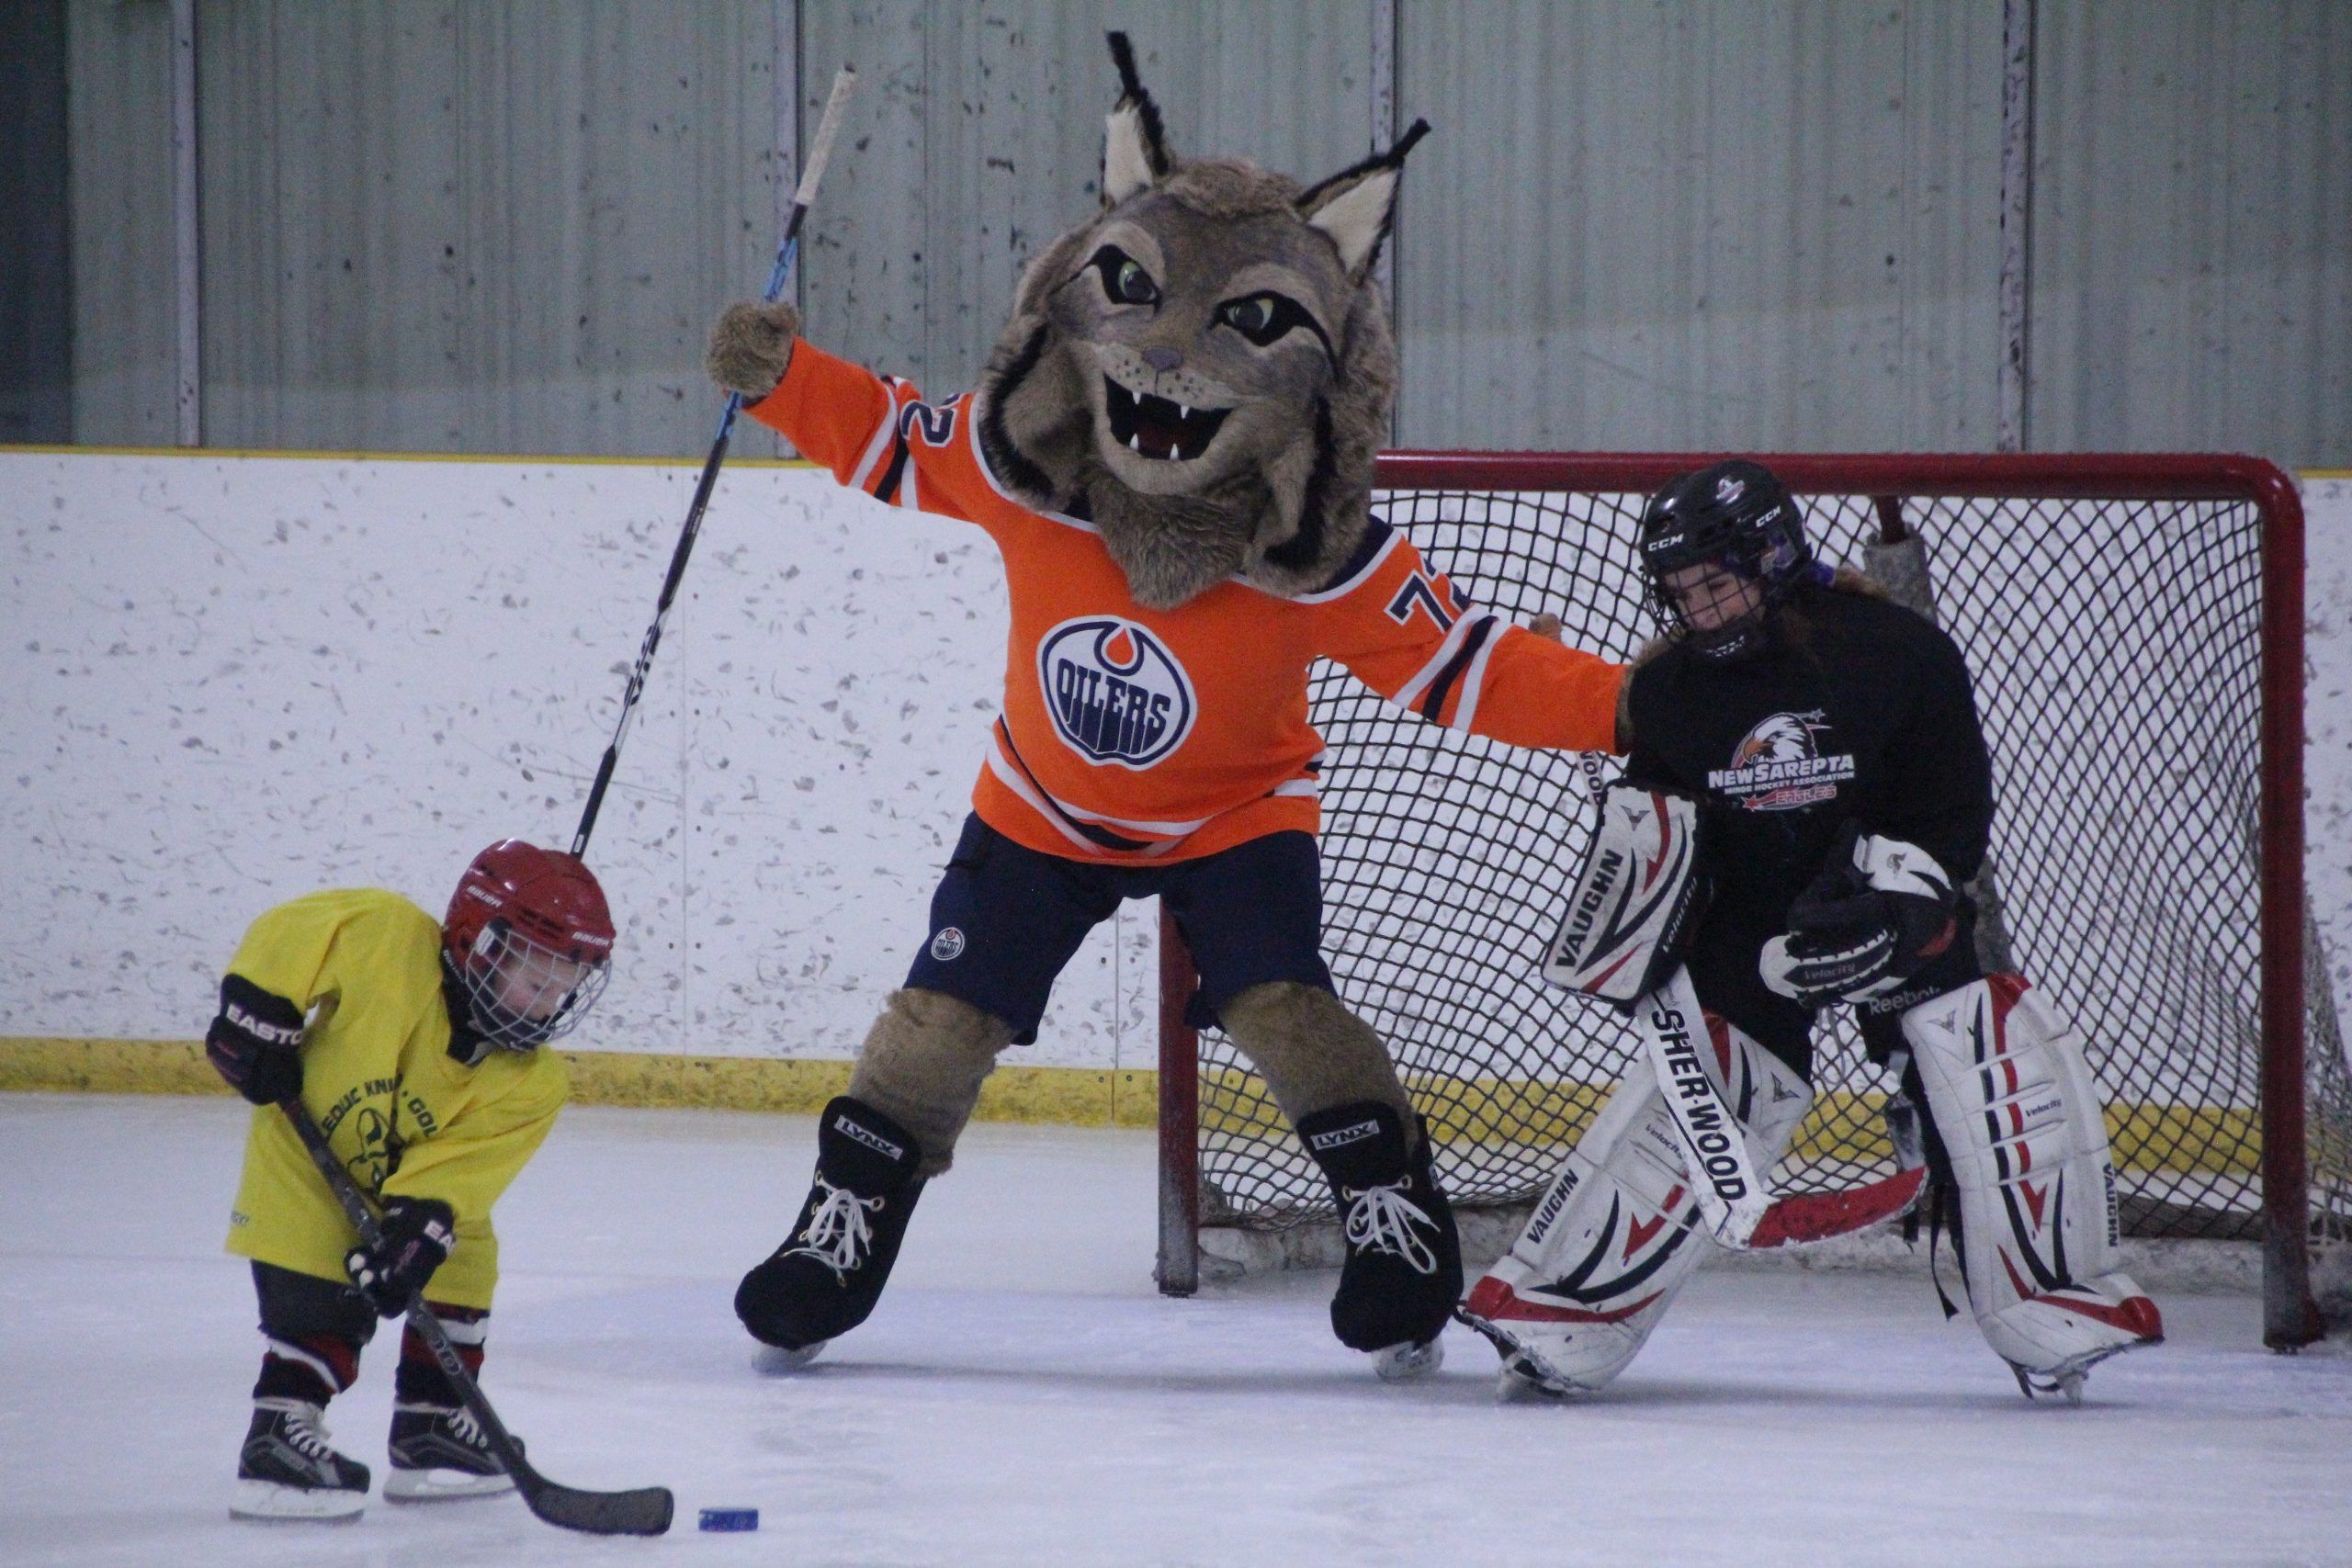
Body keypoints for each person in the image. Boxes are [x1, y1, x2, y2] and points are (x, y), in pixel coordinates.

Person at [703, 35, 1625, 1380]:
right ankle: (842, 1221)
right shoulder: (1027, 473)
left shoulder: (1315, 555)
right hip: (1039, 805)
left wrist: (1638, 710)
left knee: (1283, 1008)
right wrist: (783, 378)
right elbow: (891, 436)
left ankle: (1392, 1204)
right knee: (940, 1020)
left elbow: (1472, 666)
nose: (1165, 364)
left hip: (1238, 815)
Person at [1461, 459, 2162, 1402]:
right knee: (1707, 1080)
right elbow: (1667, 814)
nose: (1697, 607)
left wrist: (1901, 902)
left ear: (1773, 557)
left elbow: (1953, 816)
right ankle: (1565, 1310)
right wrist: (1641, 894)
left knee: (1984, 1048)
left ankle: (2057, 1296)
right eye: (1680, 590)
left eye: (1713, 583)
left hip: (1882, 899)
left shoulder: (1896, 652)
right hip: (1752, 925)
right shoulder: (1670, 686)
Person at [207, 840, 614, 1520]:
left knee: (465, 1250)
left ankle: (432, 1422)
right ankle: (279, 1430)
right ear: (479, 944)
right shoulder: (387, 937)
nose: (548, 1006)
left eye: (562, 990)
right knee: (324, 1293)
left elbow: (461, 1171)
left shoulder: (534, 1082)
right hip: (305, 1172)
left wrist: (420, 1227)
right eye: (536, 982)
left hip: (393, 1181)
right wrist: (257, 1009)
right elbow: (293, 932)